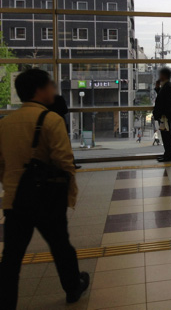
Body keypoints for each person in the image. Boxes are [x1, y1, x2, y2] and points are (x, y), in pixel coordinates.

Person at [0, 69, 89, 309]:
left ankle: (6, 302)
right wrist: (70, 193)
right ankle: (73, 287)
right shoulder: (51, 120)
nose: (53, 89)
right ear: (39, 90)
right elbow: (64, 161)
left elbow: (2, 165)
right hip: (46, 199)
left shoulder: (5, 123)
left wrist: (11, 186)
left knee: (11, 258)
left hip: (15, 200)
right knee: (60, 246)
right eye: (50, 85)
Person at [48, 94, 82, 170]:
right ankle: (70, 163)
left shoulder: (46, 100)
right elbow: (65, 110)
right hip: (61, 122)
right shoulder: (59, 98)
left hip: (50, 124)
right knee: (66, 144)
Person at [153, 67, 171, 162]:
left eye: (161, 74)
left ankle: (168, 156)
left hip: (164, 116)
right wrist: (157, 88)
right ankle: (167, 155)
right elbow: (162, 97)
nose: (159, 76)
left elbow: (165, 101)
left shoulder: (168, 86)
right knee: (165, 136)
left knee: (166, 136)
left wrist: (162, 114)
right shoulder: (166, 85)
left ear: (165, 75)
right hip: (164, 116)